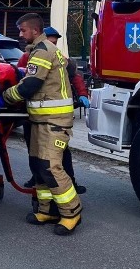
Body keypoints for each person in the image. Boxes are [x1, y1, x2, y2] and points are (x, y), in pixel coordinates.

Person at [0, 13, 82, 235]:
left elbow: (31, 85)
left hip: (54, 121)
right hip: (40, 120)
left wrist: (5, 96)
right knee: (38, 166)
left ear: (34, 31)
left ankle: (72, 212)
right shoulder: (37, 50)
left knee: (50, 167)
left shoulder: (43, 51)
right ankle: (47, 210)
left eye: (23, 30)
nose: (20, 34)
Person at [19, 26, 88, 194]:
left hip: (54, 116)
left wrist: (83, 94)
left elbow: (75, 75)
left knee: (61, 153)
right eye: (50, 42)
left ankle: (69, 181)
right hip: (34, 114)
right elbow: (20, 78)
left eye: (55, 43)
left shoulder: (59, 57)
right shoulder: (28, 57)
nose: (52, 45)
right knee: (35, 152)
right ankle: (37, 179)